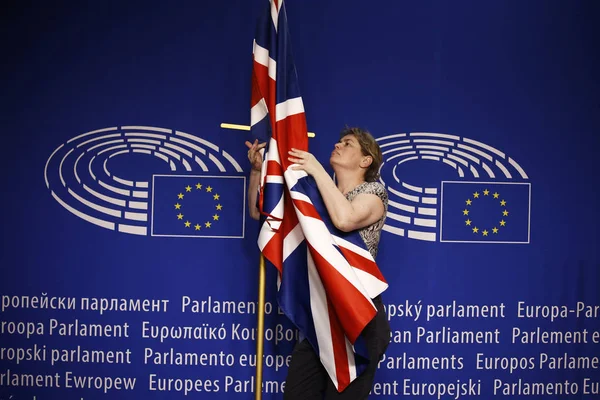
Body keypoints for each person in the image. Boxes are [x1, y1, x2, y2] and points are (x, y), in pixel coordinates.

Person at [245, 127, 390, 399]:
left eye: (347, 143)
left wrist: (315, 168)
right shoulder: (314, 196)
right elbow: (259, 212)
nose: (338, 144)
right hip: (322, 318)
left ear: (365, 160)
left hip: (359, 317)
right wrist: (257, 173)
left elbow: (345, 219)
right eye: (339, 140)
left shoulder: (374, 193)